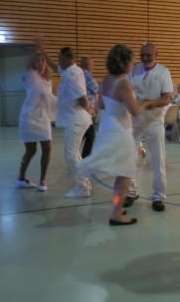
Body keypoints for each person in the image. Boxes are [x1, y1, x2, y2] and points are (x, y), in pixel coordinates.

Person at [78, 44, 154, 225]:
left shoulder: (105, 80)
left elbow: (102, 106)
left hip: (108, 127)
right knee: (125, 175)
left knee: (122, 174)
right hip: (122, 131)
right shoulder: (124, 83)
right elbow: (134, 111)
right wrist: (146, 103)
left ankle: (117, 208)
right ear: (125, 62)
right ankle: (116, 213)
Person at [38, 40, 94, 198]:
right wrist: (43, 53)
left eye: (60, 58)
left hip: (76, 120)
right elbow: (57, 68)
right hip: (75, 119)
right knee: (74, 154)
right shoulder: (70, 70)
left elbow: (82, 97)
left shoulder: (73, 75)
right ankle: (84, 184)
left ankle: (83, 187)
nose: (58, 61)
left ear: (69, 58)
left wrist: (88, 108)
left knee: (70, 155)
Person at [125, 43, 174, 211]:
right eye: (143, 55)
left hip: (154, 120)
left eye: (149, 55)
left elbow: (167, 98)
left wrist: (149, 103)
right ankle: (131, 192)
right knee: (130, 157)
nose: (145, 58)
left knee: (157, 159)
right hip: (135, 119)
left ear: (156, 54)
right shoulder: (133, 69)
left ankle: (158, 196)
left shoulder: (163, 72)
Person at [17, 52, 56, 192]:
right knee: (30, 151)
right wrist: (37, 48)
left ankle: (42, 180)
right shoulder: (30, 76)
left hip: (43, 118)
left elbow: (49, 99)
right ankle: (20, 177)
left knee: (47, 148)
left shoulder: (48, 81)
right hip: (29, 118)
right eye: (37, 61)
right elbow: (28, 65)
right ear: (33, 64)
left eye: (43, 61)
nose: (40, 63)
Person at [79, 56, 99, 158]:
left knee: (85, 136)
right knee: (90, 136)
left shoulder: (80, 75)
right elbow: (96, 88)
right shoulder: (85, 75)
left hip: (85, 111)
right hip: (86, 112)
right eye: (92, 64)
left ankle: (80, 157)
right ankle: (84, 158)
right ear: (87, 65)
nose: (93, 67)